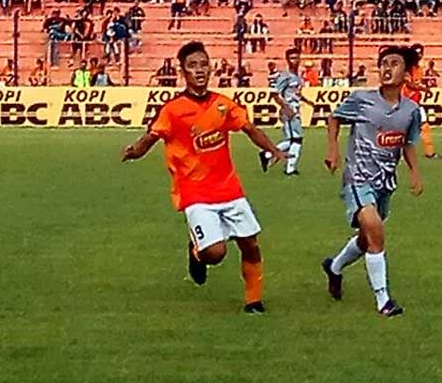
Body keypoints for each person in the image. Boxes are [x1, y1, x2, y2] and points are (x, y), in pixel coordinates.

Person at [120, 41, 288, 314]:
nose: (200, 70)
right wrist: (134, 151)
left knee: (251, 244)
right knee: (216, 254)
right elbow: (152, 135)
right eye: (193, 66)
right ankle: (197, 251)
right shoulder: (174, 109)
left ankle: (253, 301)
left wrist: (273, 150)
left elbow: (248, 128)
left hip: (229, 187)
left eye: (203, 64)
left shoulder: (222, 104)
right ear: (183, 72)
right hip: (194, 191)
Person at [321, 45, 424, 318]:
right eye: (383, 63)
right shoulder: (361, 99)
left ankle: (334, 266)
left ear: (406, 72)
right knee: (375, 229)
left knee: (367, 240)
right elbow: (334, 118)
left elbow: (407, 143)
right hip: (358, 178)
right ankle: (384, 300)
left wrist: (414, 171)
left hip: (385, 182)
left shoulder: (412, 110)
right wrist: (332, 149)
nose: (387, 68)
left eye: (394, 63)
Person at [261, 48, 316, 176]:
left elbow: (296, 94)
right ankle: (289, 168)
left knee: (293, 140)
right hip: (290, 111)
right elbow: (275, 94)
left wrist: (307, 102)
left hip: (295, 109)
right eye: (292, 58)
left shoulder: (297, 76)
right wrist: (286, 108)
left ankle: (268, 154)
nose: (295, 61)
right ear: (287, 60)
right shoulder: (285, 76)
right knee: (296, 139)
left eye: (297, 58)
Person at [404, 43, 439, 159]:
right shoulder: (406, 67)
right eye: (417, 53)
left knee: (424, 126)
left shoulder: (419, 69)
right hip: (404, 102)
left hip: (415, 103)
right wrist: (424, 89)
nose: (419, 56)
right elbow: (409, 83)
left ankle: (430, 153)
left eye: (420, 53)